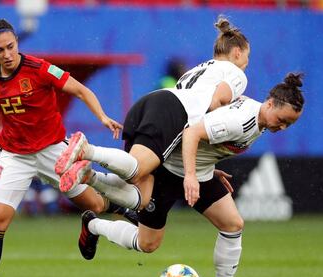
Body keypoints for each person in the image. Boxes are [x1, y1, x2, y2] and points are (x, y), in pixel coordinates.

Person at [58, 73, 305, 277]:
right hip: (170, 172)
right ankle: (93, 222)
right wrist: (189, 176)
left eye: (288, 125)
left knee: (233, 224)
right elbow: (191, 133)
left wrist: (208, 167)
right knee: (148, 244)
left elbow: (210, 141)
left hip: (200, 173)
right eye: (282, 120)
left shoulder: (258, 120)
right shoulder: (240, 121)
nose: (281, 127)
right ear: (270, 104)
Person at [0, 7, 136, 277]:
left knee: (95, 204)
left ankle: (114, 211)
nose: (7, 54)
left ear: (16, 43)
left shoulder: (40, 69)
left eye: (11, 46)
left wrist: (102, 117)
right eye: (0, 50)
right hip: (13, 155)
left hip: (52, 151)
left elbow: (82, 90)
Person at [55, 15, 250, 212]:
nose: (246, 64)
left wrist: (203, 168)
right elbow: (217, 101)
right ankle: (87, 150)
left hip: (150, 104)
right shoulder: (235, 73)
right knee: (136, 170)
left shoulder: (198, 69)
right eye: (247, 57)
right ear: (237, 52)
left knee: (141, 194)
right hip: (172, 111)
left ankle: (88, 176)